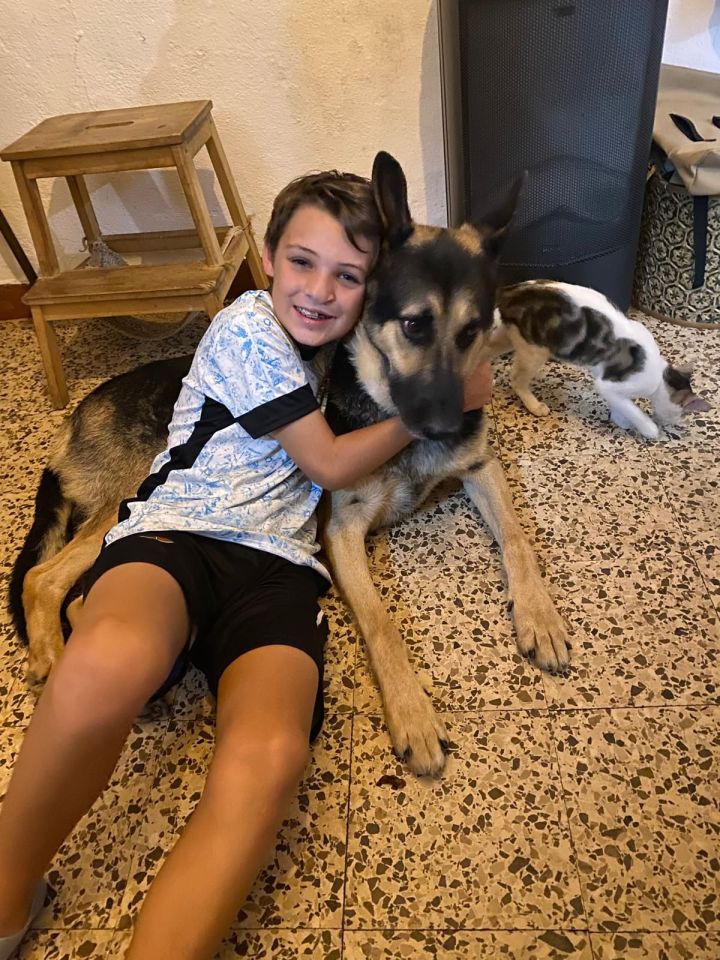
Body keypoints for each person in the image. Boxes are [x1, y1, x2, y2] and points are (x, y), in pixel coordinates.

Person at [0, 169, 493, 960]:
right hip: (179, 533)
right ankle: (4, 897)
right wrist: (438, 402)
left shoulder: (342, 350)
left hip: (279, 569)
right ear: (266, 259)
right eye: (302, 262)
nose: (320, 291)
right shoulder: (248, 328)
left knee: (270, 754)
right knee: (105, 664)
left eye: (348, 276)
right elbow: (331, 465)